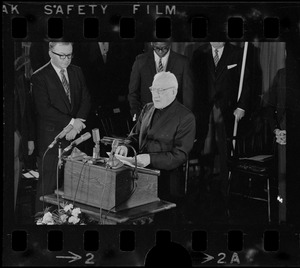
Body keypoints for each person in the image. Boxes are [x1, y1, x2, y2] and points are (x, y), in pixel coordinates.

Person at [116, 71, 196, 202]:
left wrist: (150, 159)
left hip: (166, 182)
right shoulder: (147, 108)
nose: (156, 95)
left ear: (173, 92)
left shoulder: (185, 117)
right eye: (153, 90)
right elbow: (135, 136)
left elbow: (180, 155)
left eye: (161, 90)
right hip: (139, 177)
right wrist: (126, 147)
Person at [31, 42, 91, 213]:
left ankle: (67, 221)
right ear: (51, 53)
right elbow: (44, 109)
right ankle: (42, 221)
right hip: (52, 138)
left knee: (72, 184)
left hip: (75, 136)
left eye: (69, 55)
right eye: (62, 56)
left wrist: (77, 124)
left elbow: (86, 98)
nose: (66, 60)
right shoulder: (40, 76)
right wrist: (72, 123)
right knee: (48, 185)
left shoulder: (77, 71)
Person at [191, 42, 250, 197]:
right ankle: (205, 184)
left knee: (226, 149)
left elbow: (247, 81)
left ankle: (227, 186)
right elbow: (193, 82)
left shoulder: (237, 52)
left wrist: (242, 106)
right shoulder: (199, 52)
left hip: (229, 110)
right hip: (205, 110)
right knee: (206, 147)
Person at [128, 42, 194, 120]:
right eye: (157, 48)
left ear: (170, 44)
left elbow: (187, 95)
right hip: (147, 117)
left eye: (164, 48)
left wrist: (185, 117)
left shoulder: (182, 62)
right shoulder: (140, 61)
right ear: (152, 44)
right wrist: (137, 114)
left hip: (174, 117)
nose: (160, 51)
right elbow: (133, 92)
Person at [14, 54, 35, 211]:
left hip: (19, 134)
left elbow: (26, 112)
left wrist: (28, 139)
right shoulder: (19, 80)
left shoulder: (22, 81)